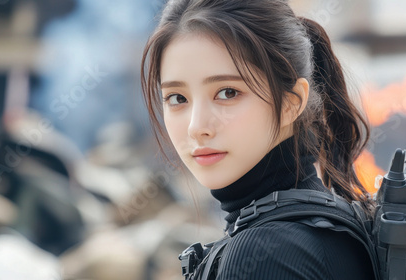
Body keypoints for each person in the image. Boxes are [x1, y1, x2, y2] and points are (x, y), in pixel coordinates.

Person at [141, 0, 376, 279]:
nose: (196, 127)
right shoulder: (319, 227)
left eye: (228, 93)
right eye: (177, 98)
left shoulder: (264, 252)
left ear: (292, 102)